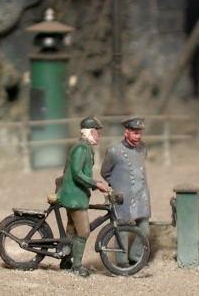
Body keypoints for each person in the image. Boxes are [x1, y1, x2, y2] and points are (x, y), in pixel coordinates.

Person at [57, 116, 108, 277]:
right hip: (75, 197)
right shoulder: (81, 148)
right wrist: (96, 184)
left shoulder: (84, 147)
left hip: (74, 194)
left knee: (71, 230)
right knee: (84, 231)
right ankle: (77, 266)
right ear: (91, 131)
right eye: (98, 132)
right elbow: (77, 174)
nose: (99, 136)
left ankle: (65, 260)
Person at [101, 116, 151, 267]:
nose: (138, 136)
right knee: (121, 231)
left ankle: (136, 257)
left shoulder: (143, 148)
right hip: (123, 197)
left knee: (145, 229)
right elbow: (105, 172)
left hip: (141, 195)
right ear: (126, 132)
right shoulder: (114, 151)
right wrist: (118, 187)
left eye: (140, 133)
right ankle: (122, 262)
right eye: (135, 133)